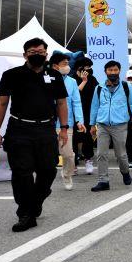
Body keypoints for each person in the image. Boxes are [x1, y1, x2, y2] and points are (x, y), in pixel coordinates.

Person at [0, 38, 69, 232]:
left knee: (48, 170)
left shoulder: (54, 75)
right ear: (25, 54)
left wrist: (65, 128)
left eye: (41, 51)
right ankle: (25, 214)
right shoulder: (12, 75)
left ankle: (36, 201)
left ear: (46, 54)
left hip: (46, 129)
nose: (37, 54)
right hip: (19, 129)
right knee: (22, 173)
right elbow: (1, 104)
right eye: (33, 51)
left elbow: (61, 103)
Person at [89, 60, 132, 191]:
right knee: (101, 154)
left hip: (120, 125)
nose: (113, 72)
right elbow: (95, 107)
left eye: (115, 70)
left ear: (119, 71)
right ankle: (103, 181)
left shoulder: (126, 86)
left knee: (121, 155)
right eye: (110, 70)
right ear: (105, 72)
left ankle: (125, 172)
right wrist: (91, 124)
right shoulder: (99, 88)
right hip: (102, 125)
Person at [49, 53, 85, 191]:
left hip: (66, 124)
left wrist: (79, 121)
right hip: (47, 123)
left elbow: (77, 102)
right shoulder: (46, 79)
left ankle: (67, 174)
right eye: (64, 63)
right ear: (55, 66)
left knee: (68, 154)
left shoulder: (72, 82)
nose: (67, 66)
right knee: (47, 154)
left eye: (67, 63)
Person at [72, 58, 98, 175]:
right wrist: (83, 81)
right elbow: (73, 95)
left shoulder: (92, 79)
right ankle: (73, 163)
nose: (89, 69)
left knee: (87, 136)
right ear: (80, 67)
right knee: (74, 137)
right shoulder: (72, 79)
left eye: (90, 67)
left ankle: (88, 159)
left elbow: (98, 94)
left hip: (88, 112)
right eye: (87, 67)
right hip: (73, 113)